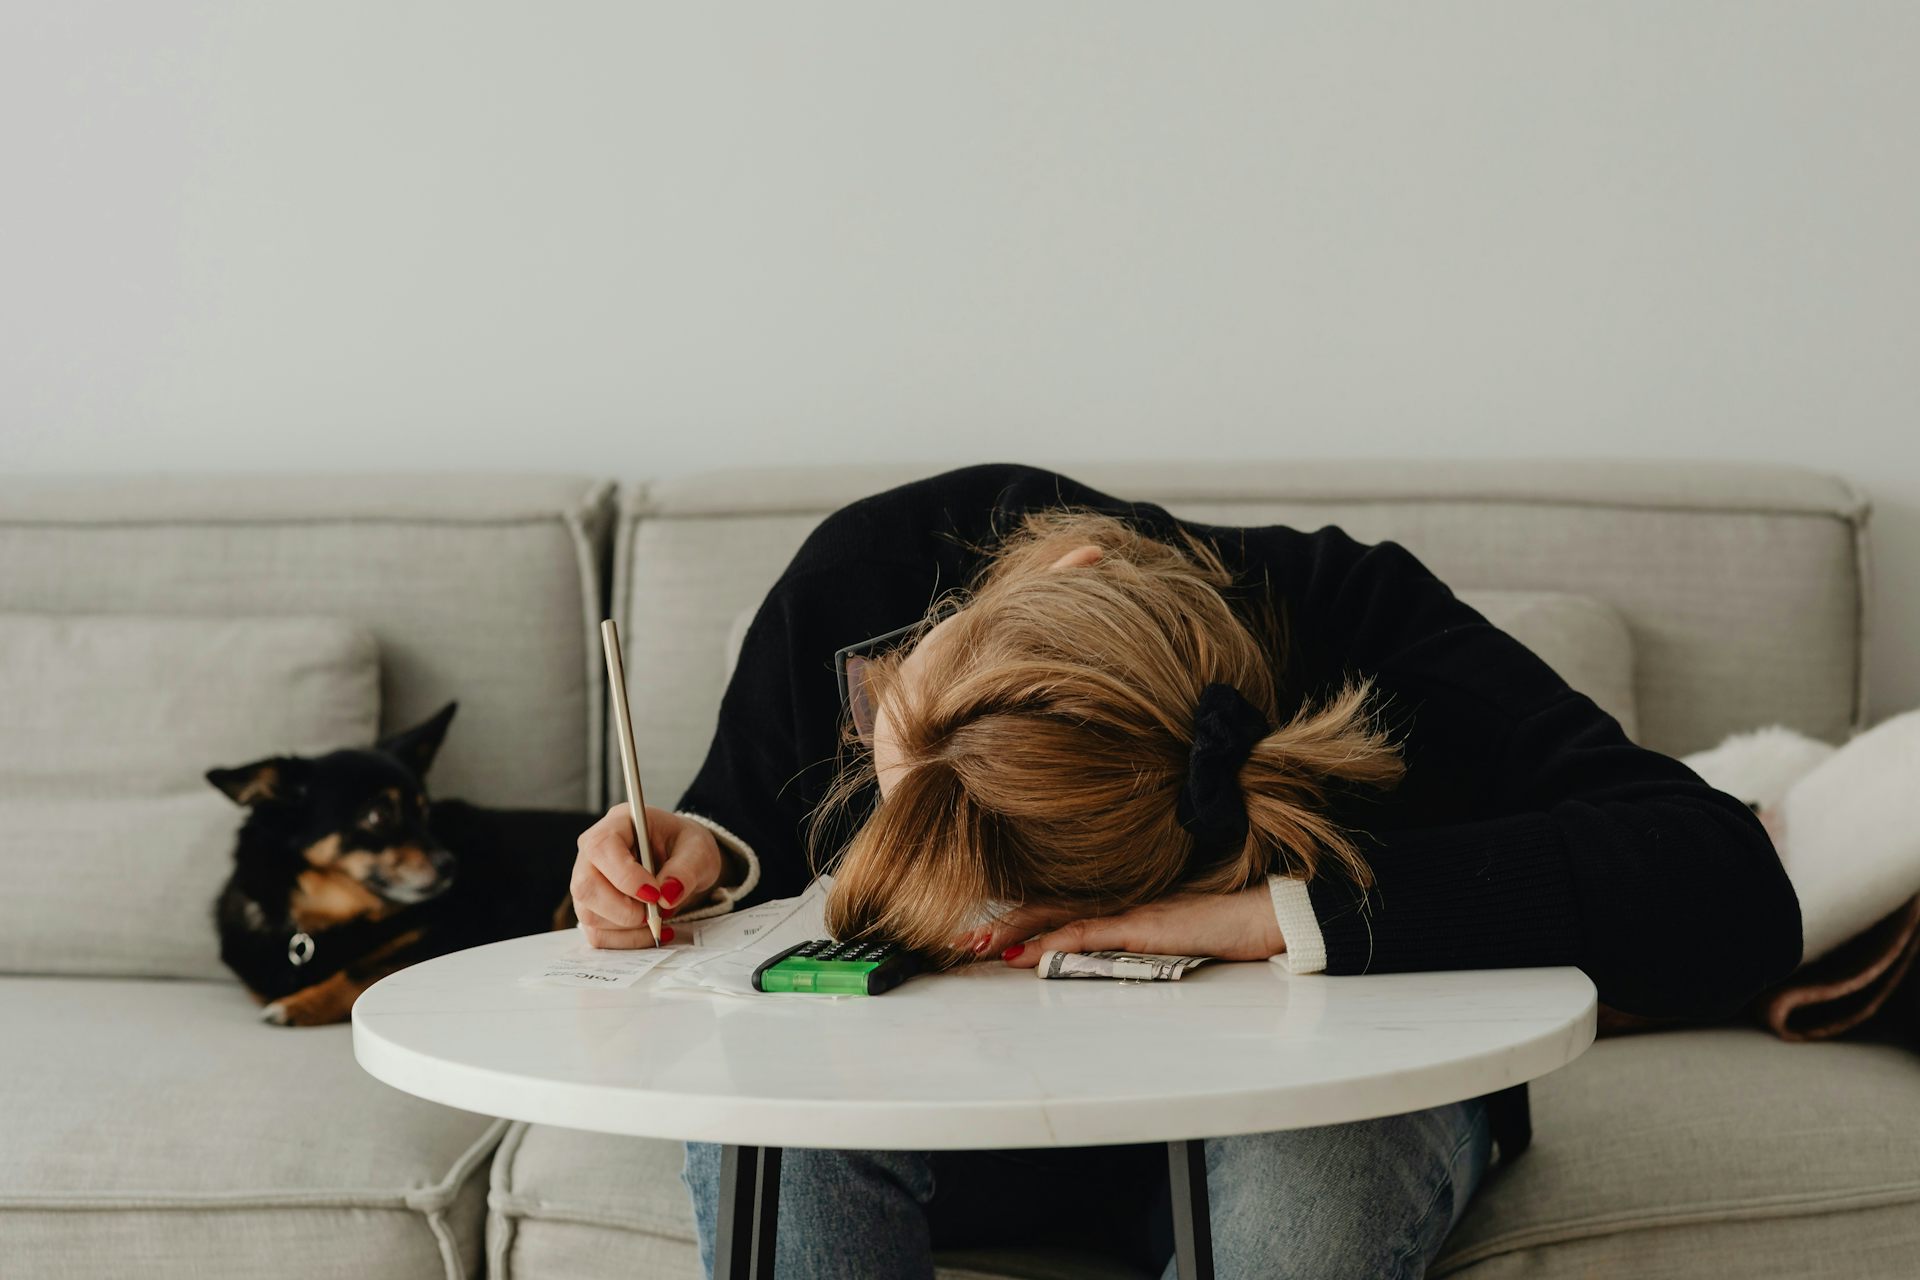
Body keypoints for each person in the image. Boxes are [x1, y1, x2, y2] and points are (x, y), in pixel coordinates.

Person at [568, 463, 1803, 1279]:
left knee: (1306, 1168)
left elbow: (1724, 882)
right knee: (772, 1139)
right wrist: (699, 858)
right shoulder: (866, 578)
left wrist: (1261, 917)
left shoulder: (1357, 618)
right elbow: (746, 837)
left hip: (1305, 1110)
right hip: (974, 1140)